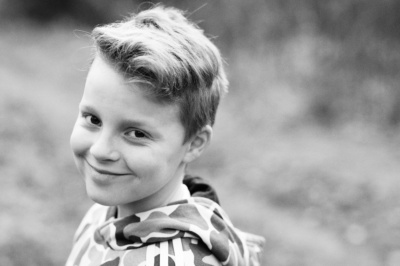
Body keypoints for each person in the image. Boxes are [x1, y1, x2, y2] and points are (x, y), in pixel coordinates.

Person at [66, 5, 264, 266]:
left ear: (194, 143)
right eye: (93, 119)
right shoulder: (106, 213)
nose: (100, 150)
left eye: (136, 133)